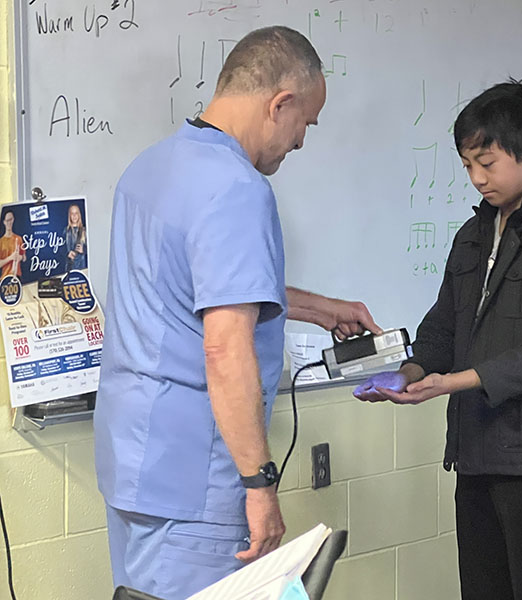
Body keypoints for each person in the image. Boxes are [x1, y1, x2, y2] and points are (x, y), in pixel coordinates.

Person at [94, 26, 381, 600]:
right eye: (306, 124)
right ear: (280, 104)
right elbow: (224, 346)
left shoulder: (148, 169)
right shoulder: (237, 187)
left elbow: (197, 289)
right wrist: (259, 484)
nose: (300, 142)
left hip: (133, 462)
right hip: (194, 481)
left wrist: (319, 308)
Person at [354, 79, 522, 600]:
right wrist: (410, 374)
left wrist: (450, 383)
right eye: (468, 165)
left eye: (487, 163)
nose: (476, 178)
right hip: (476, 453)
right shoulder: (473, 233)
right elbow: (443, 326)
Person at [0, 209, 25, 278]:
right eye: (7, 220)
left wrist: (21, 257)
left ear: (13, 220)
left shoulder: (19, 238)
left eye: (11, 219)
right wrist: (11, 257)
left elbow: (24, 257)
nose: (9, 223)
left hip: (17, 276)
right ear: (4, 222)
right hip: (5, 277)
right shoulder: (1, 242)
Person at [64, 203, 87, 271]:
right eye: (72, 213)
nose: (74, 215)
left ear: (79, 215)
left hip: (82, 266)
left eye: (76, 213)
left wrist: (83, 250)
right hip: (70, 266)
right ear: (69, 215)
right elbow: (61, 249)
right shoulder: (66, 231)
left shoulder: (84, 231)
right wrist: (68, 254)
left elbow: (91, 249)